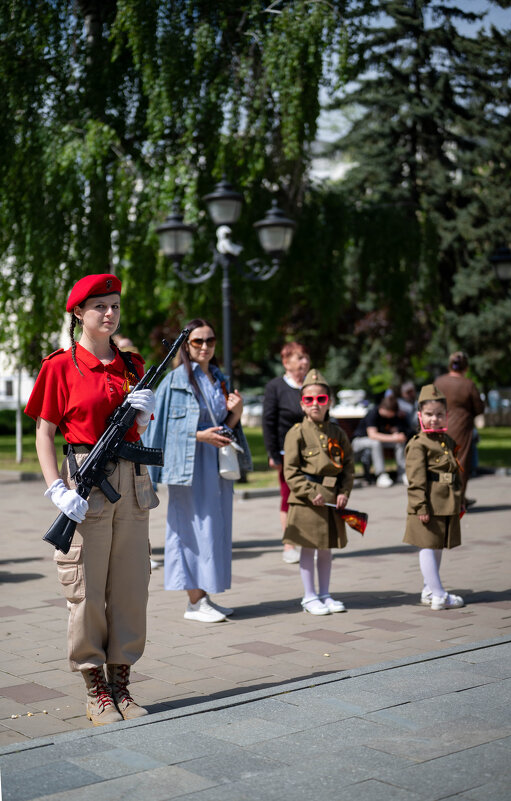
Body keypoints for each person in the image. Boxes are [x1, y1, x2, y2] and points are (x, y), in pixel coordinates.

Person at [24, 273, 158, 726]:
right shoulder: (60, 366)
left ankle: (122, 684)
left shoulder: (132, 364)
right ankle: (95, 690)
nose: (109, 313)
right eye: (100, 306)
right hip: (85, 480)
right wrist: (56, 489)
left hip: (133, 481)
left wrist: (145, 415)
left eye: (115, 305)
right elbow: (44, 433)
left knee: (131, 587)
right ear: (79, 312)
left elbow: (137, 428)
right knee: (86, 589)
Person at [144, 318, 252, 623]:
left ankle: (204, 597)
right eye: (197, 341)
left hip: (217, 465)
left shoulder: (220, 378)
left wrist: (237, 413)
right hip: (188, 466)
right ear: (185, 345)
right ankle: (193, 601)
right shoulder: (174, 381)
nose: (205, 346)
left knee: (214, 530)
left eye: (210, 340)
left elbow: (225, 427)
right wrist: (199, 435)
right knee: (190, 529)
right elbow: (157, 430)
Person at [283, 369, 354, 615]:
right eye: (309, 399)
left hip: (332, 499)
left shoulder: (338, 433)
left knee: (326, 548)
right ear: (302, 404)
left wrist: (344, 491)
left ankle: (325, 594)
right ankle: (309, 596)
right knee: (308, 547)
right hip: (306, 501)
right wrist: (309, 492)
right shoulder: (297, 433)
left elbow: (348, 467)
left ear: (329, 402)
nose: (315, 404)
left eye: (321, 399)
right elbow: (291, 471)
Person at [402, 384, 465, 610]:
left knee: (436, 546)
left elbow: (454, 472)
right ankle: (439, 595)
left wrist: (460, 500)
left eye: (439, 414)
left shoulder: (446, 441)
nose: (434, 419)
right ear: (420, 415)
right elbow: (416, 479)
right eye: (429, 414)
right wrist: (420, 506)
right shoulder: (418, 444)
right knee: (427, 546)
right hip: (428, 503)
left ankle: (429, 590)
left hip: (445, 502)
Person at [262, 341, 310, 563]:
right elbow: (268, 422)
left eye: (306, 357)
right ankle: (289, 545)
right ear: (286, 362)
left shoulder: (312, 385)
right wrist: (273, 454)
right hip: (286, 453)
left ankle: (310, 542)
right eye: (299, 357)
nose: (304, 362)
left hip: (313, 453)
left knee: (312, 496)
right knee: (289, 497)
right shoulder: (276, 387)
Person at [435, 351, 484, 505]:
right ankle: (458, 499)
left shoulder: (439, 382)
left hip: (439, 425)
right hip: (461, 427)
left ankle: (445, 497)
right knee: (460, 463)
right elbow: (479, 408)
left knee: (443, 462)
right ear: (466, 367)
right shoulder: (468, 384)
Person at [351, 395, 408, 487]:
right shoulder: (373, 413)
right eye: (391, 413)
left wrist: (397, 435)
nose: (392, 415)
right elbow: (373, 435)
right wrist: (393, 437)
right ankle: (381, 475)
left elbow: (395, 429)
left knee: (399, 442)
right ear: (383, 409)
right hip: (360, 441)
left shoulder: (392, 416)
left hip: (380, 441)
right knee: (376, 443)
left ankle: (402, 473)